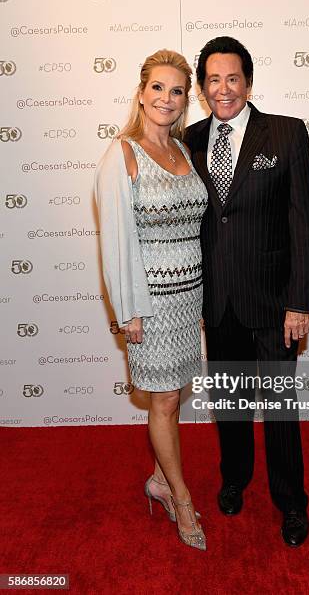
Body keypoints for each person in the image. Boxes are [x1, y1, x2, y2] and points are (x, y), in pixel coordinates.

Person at [184, 36, 309, 547]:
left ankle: (291, 503)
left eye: (233, 78)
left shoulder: (285, 135)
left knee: (280, 411)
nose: (224, 89)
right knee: (230, 404)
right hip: (217, 303)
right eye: (213, 80)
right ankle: (234, 478)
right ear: (202, 88)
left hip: (273, 303)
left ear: (249, 82)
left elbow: (305, 222)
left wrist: (300, 302)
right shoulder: (190, 141)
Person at [94, 49, 208, 551]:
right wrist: (129, 312)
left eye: (177, 90)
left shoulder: (184, 151)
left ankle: (160, 479)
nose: (167, 98)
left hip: (190, 299)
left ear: (187, 100)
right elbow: (116, 242)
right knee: (162, 400)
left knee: (174, 394)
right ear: (141, 93)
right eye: (158, 87)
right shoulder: (121, 154)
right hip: (152, 304)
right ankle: (179, 498)